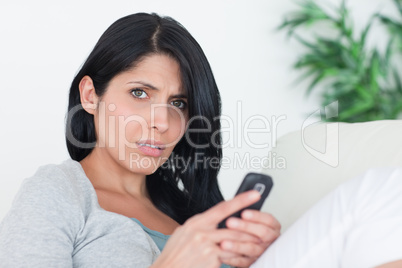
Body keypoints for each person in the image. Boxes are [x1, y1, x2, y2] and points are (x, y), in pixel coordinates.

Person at [1, 12, 402, 268]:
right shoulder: (58, 192)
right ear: (91, 95)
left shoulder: (190, 208)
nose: (161, 122)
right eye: (139, 93)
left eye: (178, 103)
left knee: (387, 191)